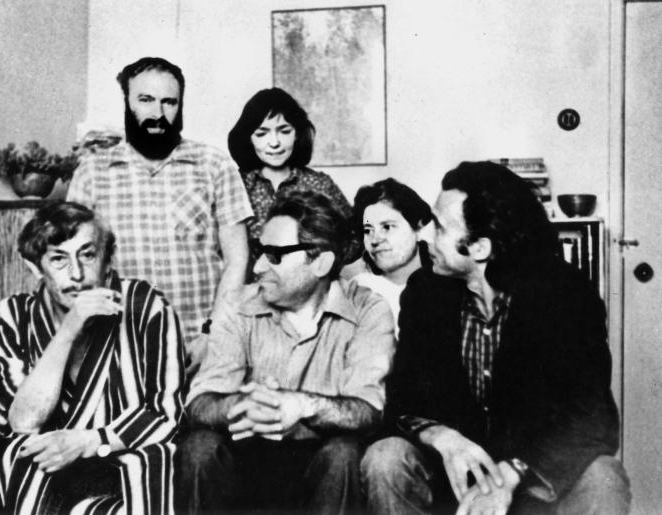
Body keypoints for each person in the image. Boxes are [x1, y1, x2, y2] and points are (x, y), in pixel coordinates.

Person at [361, 162, 631, 514]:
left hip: (532, 477)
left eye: (439, 227)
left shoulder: (565, 295)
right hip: (453, 478)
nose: (426, 236)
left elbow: (593, 416)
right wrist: (443, 438)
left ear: (480, 248)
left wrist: (514, 471)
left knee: (604, 475)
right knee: (385, 458)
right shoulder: (425, 293)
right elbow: (402, 400)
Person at [176, 191, 395, 513]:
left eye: (275, 255)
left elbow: (368, 412)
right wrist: (239, 405)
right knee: (199, 447)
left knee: (343, 451)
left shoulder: (367, 310)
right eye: (259, 251)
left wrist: (301, 405)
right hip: (245, 457)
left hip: (321, 462)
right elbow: (199, 403)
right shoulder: (237, 304)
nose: (258, 266)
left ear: (321, 263)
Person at [0, 202, 184, 514]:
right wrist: (67, 332)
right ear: (35, 268)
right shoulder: (11, 316)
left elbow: (165, 414)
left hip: (123, 463)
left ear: (108, 259)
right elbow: (23, 423)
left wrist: (89, 441)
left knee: (155, 458)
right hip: (52, 471)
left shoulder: (147, 306)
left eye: (88, 255)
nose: (77, 274)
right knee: (23, 452)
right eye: (58, 259)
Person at [68, 57, 253, 365]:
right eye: (146, 100)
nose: (158, 114)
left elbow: (238, 259)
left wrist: (212, 334)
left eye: (169, 102)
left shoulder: (215, 165)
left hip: (200, 346)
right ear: (127, 102)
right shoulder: (91, 173)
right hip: (118, 348)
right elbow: (76, 264)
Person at [228, 87, 357, 275]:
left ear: (297, 133)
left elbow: (354, 238)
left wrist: (326, 271)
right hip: (254, 287)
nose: (274, 143)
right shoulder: (234, 187)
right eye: (262, 133)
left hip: (309, 288)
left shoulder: (320, 184)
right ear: (249, 138)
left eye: (284, 131)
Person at [350, 178, 432, 329]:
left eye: (387, 227)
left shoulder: (447, 283)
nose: (375, 240)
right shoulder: (357, 288)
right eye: (368, 230)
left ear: (419, 229)